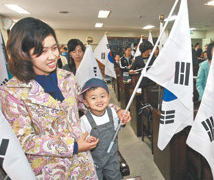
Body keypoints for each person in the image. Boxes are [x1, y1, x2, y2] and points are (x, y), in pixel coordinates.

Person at [0, 17, 99, 179]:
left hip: (83, 163)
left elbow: (83, 103)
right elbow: (24, 140)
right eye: (42, 51)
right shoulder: (12, 91)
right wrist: (72, 146)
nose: (53, 56)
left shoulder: (67, 77)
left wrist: (114, 110)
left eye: (54, 48)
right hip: (50, 169)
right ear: (23, 54)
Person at [80, 78, 130, 180]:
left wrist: (123, 121)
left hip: (112, 158)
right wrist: (87, 139)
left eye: (102, 96)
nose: (99, 100)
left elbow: (118, 126)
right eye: (93, 98)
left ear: (108, 97)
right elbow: (81, 136)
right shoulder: (84, 120)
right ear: (86, 102)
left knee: (115, 177)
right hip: (94, 160)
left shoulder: (112, 113)